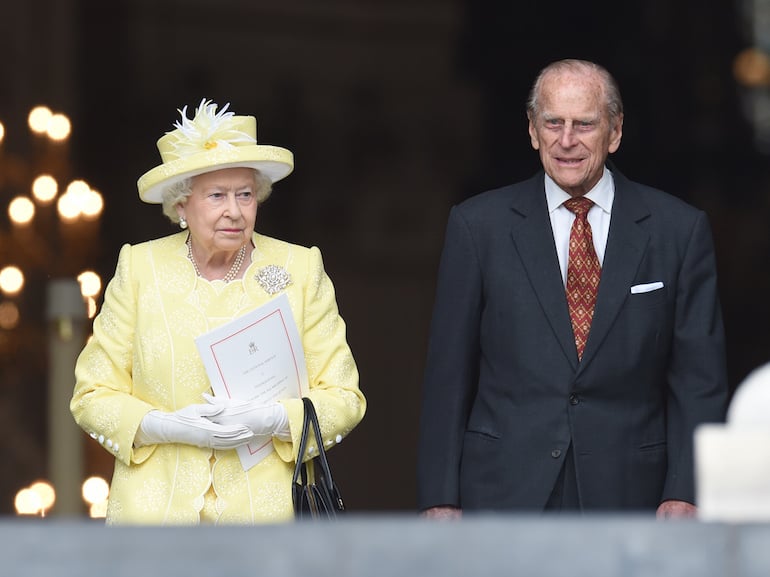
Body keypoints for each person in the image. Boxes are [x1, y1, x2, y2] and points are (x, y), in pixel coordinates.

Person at [416, 59, 729, 519]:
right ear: (532, 130)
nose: (567, 141)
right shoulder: (477, 226)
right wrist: (439, 496)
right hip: (504, 491)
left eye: (584, 124)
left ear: (615, 132)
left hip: (632, 494)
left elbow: (698, 381)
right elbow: (449, 374)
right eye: (553, 123)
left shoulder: (678, 231)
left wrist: (687, 489)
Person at [70, 99, 366, 524]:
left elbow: (344, 398)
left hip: (267, 526)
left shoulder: (298, 269)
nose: (235, 210)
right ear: (180, 205)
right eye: (216, 195)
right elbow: (91, 396)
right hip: (153, 527)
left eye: (245, 194)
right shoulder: (140, 268)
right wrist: (168, 427)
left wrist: (272, 420)